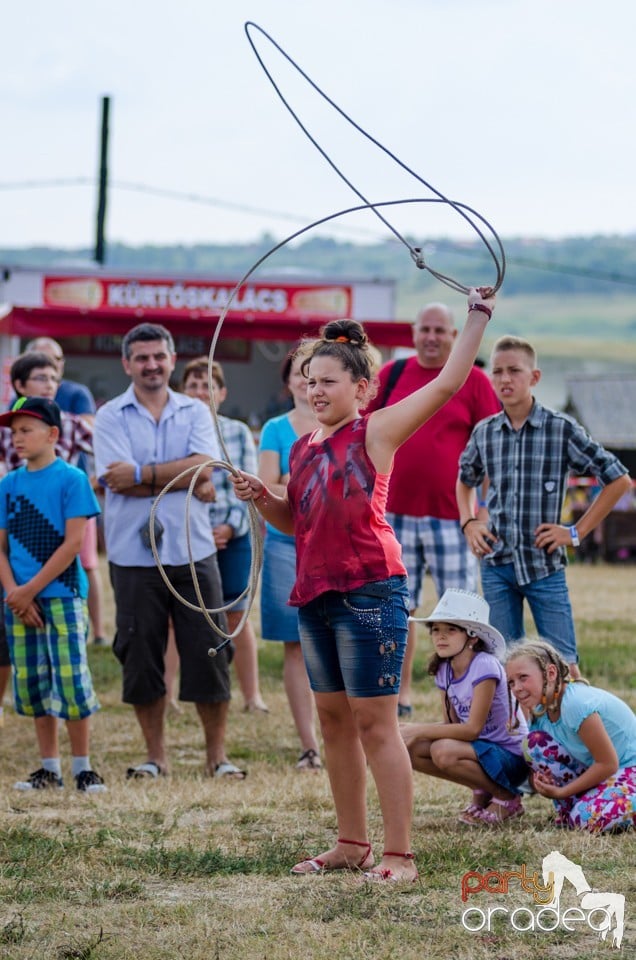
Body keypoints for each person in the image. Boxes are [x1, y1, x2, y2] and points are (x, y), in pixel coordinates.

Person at [233, 287, 495, 882]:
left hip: (371, 591)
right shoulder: (302, 446)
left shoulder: (376, 432)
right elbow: (295, 520)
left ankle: (400, 853)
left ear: (362, 388)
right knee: (333, 724)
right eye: (308, 380)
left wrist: (477, 316)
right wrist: (264, 497)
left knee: (375, 723)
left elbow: (448, 383)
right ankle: (352, 842)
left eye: (328, 380)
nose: (316, 390)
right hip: (316, 593)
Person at [93, 322, 244, 780]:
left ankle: (216, 758)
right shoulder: (109, 416)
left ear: (172, 359)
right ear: (126, 364)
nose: (151, 365)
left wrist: (142, 475)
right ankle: (155, 757)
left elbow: (203, 466)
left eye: (158, 356)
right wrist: (184, 478)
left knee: (211, 651)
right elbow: (113, 479)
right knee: (140, 655)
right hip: (132, 557)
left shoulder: (197, 412)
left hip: (193, 551)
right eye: (141, 357)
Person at [457, 335, 631, 677]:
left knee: (564, 664)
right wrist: (469, 523)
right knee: (505, 664)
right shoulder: (485, 432)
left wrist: (576, 532)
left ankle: (573, 728)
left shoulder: (560, 428)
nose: (505, 379)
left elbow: (619, 479)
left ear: (534, 377)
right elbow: (464, 480)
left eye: (514, 371)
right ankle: (517, 730)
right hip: (497, 565)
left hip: (544, 565)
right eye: (498, 372)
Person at [365, 303, 500, 716]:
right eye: (425, 329)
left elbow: (492, 451)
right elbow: (365, 431)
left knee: (458, 613)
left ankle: (463, 699)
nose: (431, 337)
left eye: (440, 330)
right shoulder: (392, 375)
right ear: (413, 333)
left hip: (451, 518)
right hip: (393, 514)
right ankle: (400, 696)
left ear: (454, 335)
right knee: (397, 607)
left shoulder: (474, 381)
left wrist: (482, 512)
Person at [0, 397, 106, 792]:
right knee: (32, 681)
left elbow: (73, 544)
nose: (17, 439)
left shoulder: (72, 479)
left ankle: (82, 766)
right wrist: (14, 594)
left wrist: (28, 591)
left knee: (71, 677)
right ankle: (49, 768)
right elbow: (1, 548)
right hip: (20, 599)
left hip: (61, 594)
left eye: (26, 430)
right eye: (13, 433)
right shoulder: (8, 484)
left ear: (53, 434)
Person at [181, 356, 268, 714]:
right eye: (193, 386)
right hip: (188, 536)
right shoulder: (176, 428)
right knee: (182, 616)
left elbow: (244, 484)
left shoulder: (235, 431)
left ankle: (252, 696)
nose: (201, 392)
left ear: (221, 392)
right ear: (182, 392)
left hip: (230, 535)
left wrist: (230, 527)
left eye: (207, 386)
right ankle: (173, 696)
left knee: (235, 616)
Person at [401, 589, 528, 825]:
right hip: (479, 751)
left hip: (511, 756)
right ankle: (482, 789)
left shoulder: (485, 666)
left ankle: (507, 797)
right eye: (436, 630)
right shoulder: (443, 669)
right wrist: (410, 732)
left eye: (451, 630)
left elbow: (471, 730)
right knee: (413, 748)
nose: (441, 637)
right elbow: (452, 726)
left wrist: (416, 728)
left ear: (472, 637)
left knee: (443, 751)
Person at [257, 344, 322, 770]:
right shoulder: (275, 429)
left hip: (331, 544)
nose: (306, 381)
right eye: (300, 373)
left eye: (314, 374)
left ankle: (344, 736)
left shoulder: (344, 424)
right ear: (289, 381)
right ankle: (309, 743)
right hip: (285, 545)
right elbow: (267, 490)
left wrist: (289, 479)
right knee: (296, 647)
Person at [23, 338, 106, 647]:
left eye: (54, 366)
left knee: (82, 564)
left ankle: (93, 632)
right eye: (40, 367)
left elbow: (98, 441)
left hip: (72, 505)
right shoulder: (14, 414)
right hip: (27, 511)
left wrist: (95, 481)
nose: (49, 377)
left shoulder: (73, 399)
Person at [506, 639, 636, 833]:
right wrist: (541, 781)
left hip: (628, 769)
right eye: (511, 682)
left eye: (523, 677)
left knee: (584, 818)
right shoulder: (541, 711)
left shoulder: (575, 704)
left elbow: (608, 763)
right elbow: (542, 761)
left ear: (550, 673)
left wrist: (562, 792)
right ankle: (580, 805)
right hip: (603, 773)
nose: (516, 687)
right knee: (533, 743)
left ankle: (585, 807)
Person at [24, 337, 97, 417]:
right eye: (45, 358)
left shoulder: (78, 393)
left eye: (58, 359)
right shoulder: (18, 399)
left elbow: (88, 426)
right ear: (20, 386)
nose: (54, 363)